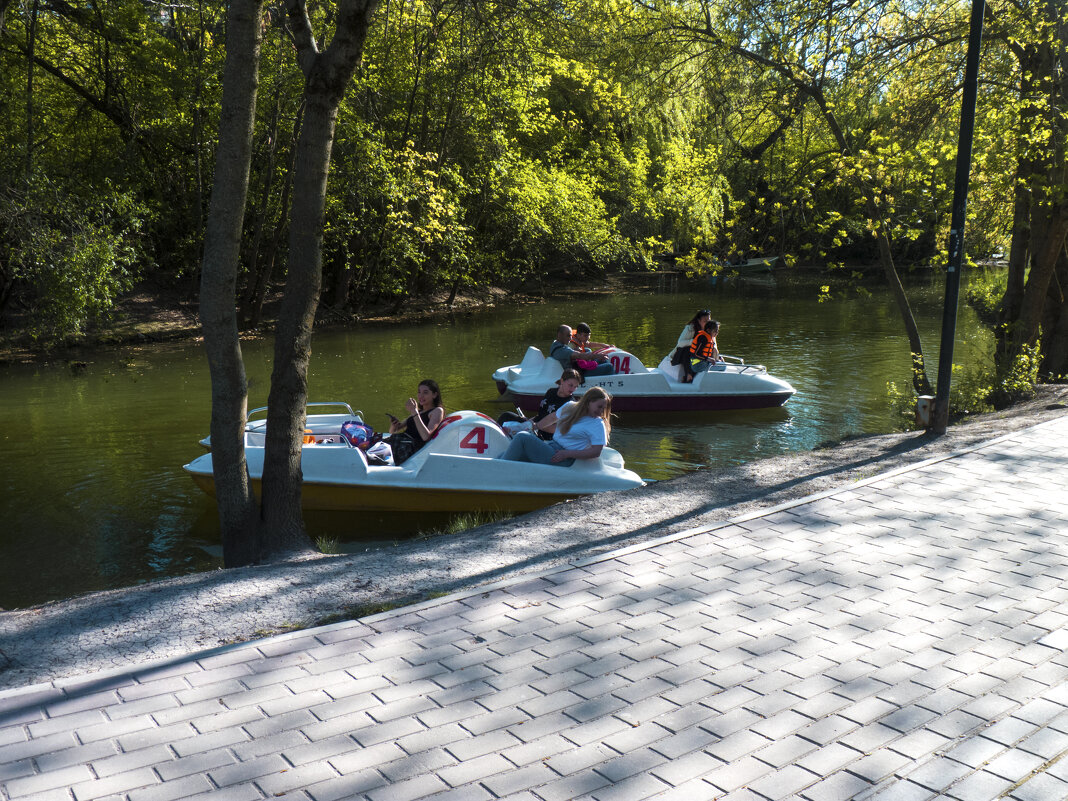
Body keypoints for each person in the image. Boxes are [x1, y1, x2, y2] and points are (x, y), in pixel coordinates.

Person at [499, 386, 613, 466]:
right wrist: (529, 426)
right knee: (503, 454)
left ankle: (499, 470)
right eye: (599, 407)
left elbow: (596, 452)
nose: (601, 411)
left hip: (564, 458)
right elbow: (551, 418)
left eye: (604, 408)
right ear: (588, 402)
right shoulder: (570, 407)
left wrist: (567, 454)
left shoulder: (597, 424)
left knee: (522, 438)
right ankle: (497, 467)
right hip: (552, 447)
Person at [385, 379, 445, 464]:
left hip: (410, 447)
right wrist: (394, 425)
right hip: (400, 441)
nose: (420, 396)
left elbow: (425, 437)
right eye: (419, 392)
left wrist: (414, 412)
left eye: (425, 392)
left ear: (434, 395)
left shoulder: (437, 411)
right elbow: (392, 431)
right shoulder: (419, 412)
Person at [532, 368, 582, 439]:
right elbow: (541, 414)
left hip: (548, 438)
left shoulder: (570, 404)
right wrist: (528, 421)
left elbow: (557, 429)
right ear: (562, 381)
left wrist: (534, 425)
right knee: (510, 415)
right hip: (535, 428)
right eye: (570, 385)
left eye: (576, 387)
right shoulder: (551, 391)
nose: (573, 389)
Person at [549, 324, 614, 377]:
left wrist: (603, 349)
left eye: (571, 335)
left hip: (579, 368)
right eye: (568, 336)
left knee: (603, 360)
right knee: (609, 367)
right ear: (559, 335)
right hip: (577, 375)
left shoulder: (556, 344)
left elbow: (587, 346)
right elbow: (579, 355)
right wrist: (597, 356)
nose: (570, 338)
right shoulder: (561, 350)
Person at [671, 309, 711, 383]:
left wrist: (717, 356)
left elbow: (713, 346)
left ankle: (691, 376)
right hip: (682, 354)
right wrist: (695, 342)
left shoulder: (710, 330)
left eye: (709, 321)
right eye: (705, 321)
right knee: (689, 350)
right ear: (699, 321)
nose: (707, 323)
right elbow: (680, 343)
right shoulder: (690, 328)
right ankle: (689, 375)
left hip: (699, 355)